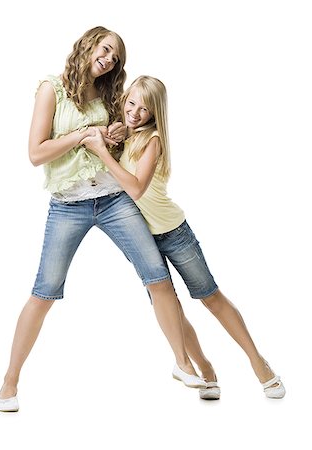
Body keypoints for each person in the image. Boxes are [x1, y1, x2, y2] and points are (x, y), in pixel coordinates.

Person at [0, 28, 205, 413]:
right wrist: (84, 135)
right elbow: (35, 153)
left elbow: (123, 137)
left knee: (157, 277)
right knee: (44, 292)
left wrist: (118, 132)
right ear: (89, 44)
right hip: (68, 204)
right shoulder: (52, 89)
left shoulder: (110, 95)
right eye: (106, 49)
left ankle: (183, 362)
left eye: (116, 57)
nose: (109, 59)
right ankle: (9, 381)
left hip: (112, 198)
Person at [80, 75, 286, 400]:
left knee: (210, 297)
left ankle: (259, 364)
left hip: (173, 232)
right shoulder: (121, 131)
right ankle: (206, 370)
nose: (135, 112)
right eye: (131, 103)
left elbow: (135, 188)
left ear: (154, 113)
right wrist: (108, 138)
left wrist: (102, 151)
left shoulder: (153, 139)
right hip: (139, 237)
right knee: (171, 307)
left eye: (144, 109)